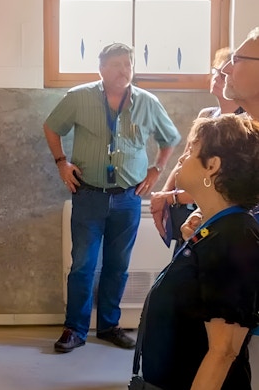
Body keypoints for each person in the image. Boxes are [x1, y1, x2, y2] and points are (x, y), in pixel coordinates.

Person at [43, 42, 180, 353]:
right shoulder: (78, 97)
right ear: (101, 69)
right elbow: (51, 127)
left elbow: (169, 138)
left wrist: (157, 169)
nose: (124, 70)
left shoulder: (147, 102)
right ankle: (74, 329)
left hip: (128, 197)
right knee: (83, 265)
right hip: (88, 194)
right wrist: (61, 162)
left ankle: (108, 326)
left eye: (128, 64)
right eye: (117, 64)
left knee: (118, 266)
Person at [135, 114, 259, 390]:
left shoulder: (232, 237)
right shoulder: (216, 231)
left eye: (191, 150)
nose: (181, 160)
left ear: (212, 166)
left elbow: (223, 351)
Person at [150, 47, 243, 250]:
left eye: (223, 73)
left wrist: (173, 197)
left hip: (214, 211)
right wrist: (164, 196)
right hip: (187, 209)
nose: (217, 77)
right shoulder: (207, 114)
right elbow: (183, 160)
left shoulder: (243, 124)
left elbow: (224, 185)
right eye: (216, 71)